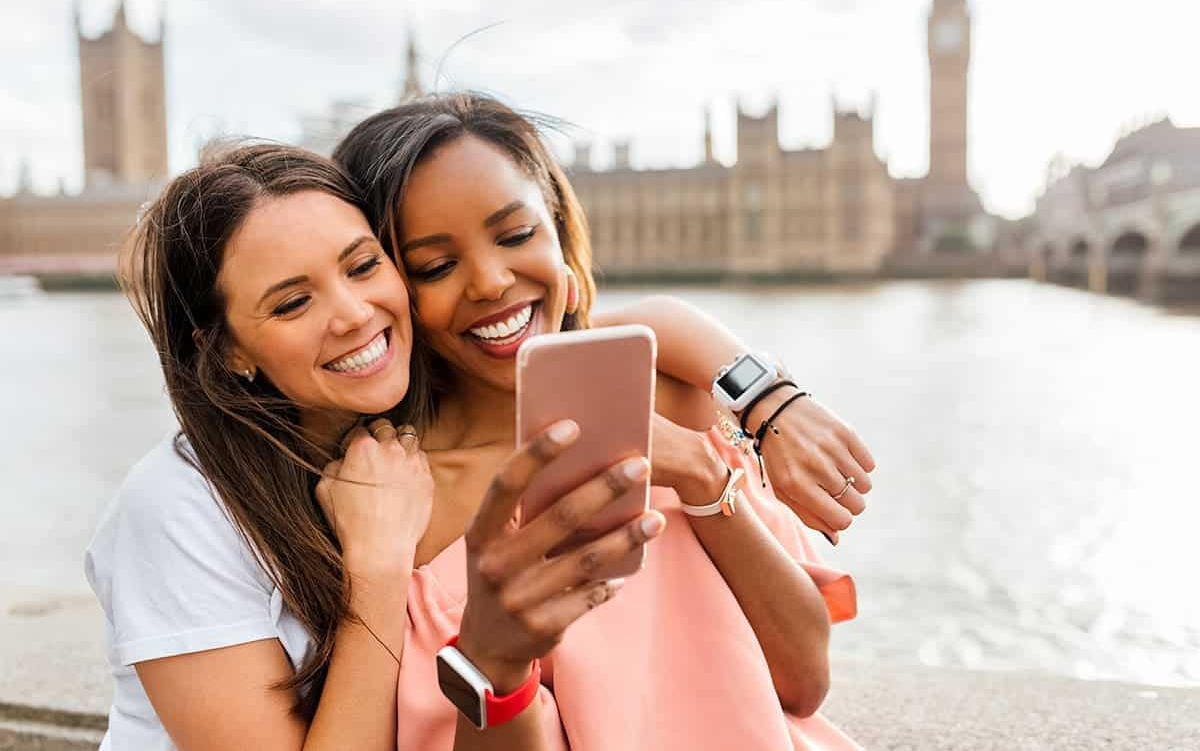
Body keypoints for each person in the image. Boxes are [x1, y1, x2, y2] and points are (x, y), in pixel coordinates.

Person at [88, 140, 871, 749]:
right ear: (227, 349)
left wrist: (763, 395)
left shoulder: (594, 415)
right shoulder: (188, 509)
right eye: (292, 302)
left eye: (364, 267)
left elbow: (598, 328)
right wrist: (380, 571)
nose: (355, 314)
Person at [332, 92, 868, 749]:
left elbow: (804, 682)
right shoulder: (394, 505)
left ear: (559, 231)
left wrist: (707, 479)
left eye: (517, 234)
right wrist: (495, 664)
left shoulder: (672, 402)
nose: (491, 281)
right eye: (436, 265)